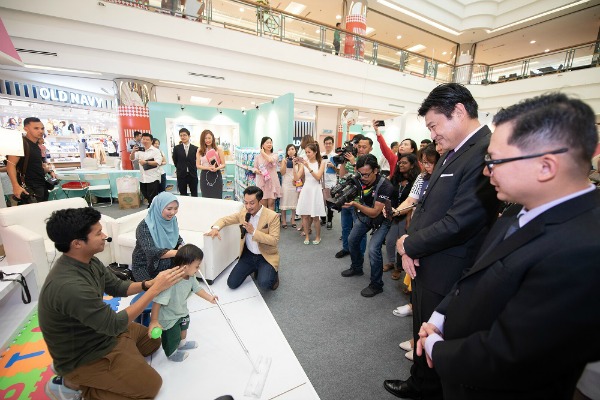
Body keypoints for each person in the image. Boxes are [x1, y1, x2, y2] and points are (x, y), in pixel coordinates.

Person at [414, 93, 600, 399]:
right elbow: (476, 272)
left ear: (545, 167)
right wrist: (439, 318)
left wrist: (436, 346)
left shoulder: (584, 249)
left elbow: (512, 355)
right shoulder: (517, 209)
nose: (486, 172)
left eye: (494, 161)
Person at [384, 83, 500, 399]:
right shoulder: (454, 152)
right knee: (423, 327)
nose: (433, 135)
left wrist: (409, 245)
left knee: (438, 335)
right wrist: (410, 242)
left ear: (459, 111)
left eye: (435, 125)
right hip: (427, 259)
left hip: (449, 266)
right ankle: (421, 382)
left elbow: (462, 221)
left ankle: (429, 388)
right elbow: (429, 205)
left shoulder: (483, 152)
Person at [39, 207, 185, 400]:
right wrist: (155, 290)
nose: (105, 236)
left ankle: (120, 361)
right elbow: (115, 324)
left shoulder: (88, 261)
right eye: (98, 233)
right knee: (150, 386)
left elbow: (116, 286)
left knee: (153, 340)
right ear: (77, 243)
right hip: (85, 353)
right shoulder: (70, 286)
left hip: (102, 332)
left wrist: (147, 284)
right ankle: (73, 384)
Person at [149, 244, 217, 362]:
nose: (198, 269)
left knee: (184, 329)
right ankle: (171, 353)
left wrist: (210, 298)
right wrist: (154, 321)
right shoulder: (171, 281)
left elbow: (198, 289)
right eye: (197, 266)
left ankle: (182, 344)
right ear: (185, 267)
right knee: (172, 336)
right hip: (169, 317)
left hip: (181, 311)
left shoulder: (191, 277)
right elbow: (157, 302)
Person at [205, 186, 281, 291]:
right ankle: (256, 270)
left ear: (260, 201)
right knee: (231, 283)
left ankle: (273, 273)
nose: (248, 206)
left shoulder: (272, 216)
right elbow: (225, 220)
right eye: (246, 202)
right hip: (248, 255)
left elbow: (274, 240)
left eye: (252, 203)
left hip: (265, 256)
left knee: (264, 284)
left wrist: (253, 232)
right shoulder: (243, 213)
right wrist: (215, 228)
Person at [341, 154, 394, 297]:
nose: (363, 177)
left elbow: (375, 212)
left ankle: (377, 285)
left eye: (366, 174)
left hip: (382, 219)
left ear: (376, 170)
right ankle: (357, 267)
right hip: (365, 215)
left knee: (373, 249)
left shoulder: (385, 186)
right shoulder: (359, 179)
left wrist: (355, 204)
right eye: (360, 174)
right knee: (352, 240)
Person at [131, 192, 184, 282]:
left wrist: (182, 247)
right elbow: (152, 252)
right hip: (145, 266)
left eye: (176, 208)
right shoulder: (145, 226)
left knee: (181, 285)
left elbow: (177, 239)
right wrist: (179, 253)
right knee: (155, 291)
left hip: (167, 263)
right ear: (159, 207)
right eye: (169, 209)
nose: (173, 212)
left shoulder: (172, 220)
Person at [384, 153, 420, 280]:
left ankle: (398, 268)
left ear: (412, 165)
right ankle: (391, 262)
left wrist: (409, 219)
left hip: (406, 215)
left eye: (404, 162)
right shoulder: (395, 178)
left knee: (401, 242)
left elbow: (412, 202)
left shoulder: (417, 180)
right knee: (389, 240)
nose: (401, 165)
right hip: (395, 214)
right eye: (400, 162)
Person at [6, 117, 57, 204]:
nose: (40, 131)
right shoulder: (21, 144)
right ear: (26, 128)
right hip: (29, 188)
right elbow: (10, 165)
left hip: (41, 185)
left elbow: (36, 164)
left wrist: (49, 171)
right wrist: (15, 186)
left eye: (42, 128)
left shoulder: (36, 145)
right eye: (36, 128)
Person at [335, 134, 368, 258]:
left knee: (360, 229)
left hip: (359, 200)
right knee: (345, 227)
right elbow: (343, 175)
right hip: (346, 197)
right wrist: (343, 162)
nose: (359, 148)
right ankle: (346, 248)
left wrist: (354, 162)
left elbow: (360, 177)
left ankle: (360, 253)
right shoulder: (350, 158)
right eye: (357, 146)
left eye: (362, 146)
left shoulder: (367, 161)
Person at [296, 143, 327, 244]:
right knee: (305, 215)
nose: (307, 154)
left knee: (315, 216)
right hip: (306, 189)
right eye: (306, 152)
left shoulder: (321, 162)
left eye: (309, 152)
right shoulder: (304, 163)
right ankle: (307, 237)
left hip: (315, 189)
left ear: (315, 152)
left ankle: (318, 237)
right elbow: (297, 178)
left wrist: (308, 167)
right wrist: (294, 165)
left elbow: (318, 177)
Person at [130, 132, 162, 206]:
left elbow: (158, 162)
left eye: (147, 139)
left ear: (151, 141)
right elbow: (132, 159)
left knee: (152, 197)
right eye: (143, 139)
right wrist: (133, 151)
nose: (145, 141)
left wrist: (146, 162)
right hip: (143, 177)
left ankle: (152, 210)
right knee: (145, 195)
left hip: (153, 178)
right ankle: (152, 208)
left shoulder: (155, 151)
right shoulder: (140, 150)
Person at [254, 136, 282, 210]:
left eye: (271, 143)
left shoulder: (275, 155)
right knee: (263, 205)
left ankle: (270, 221)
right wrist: (257, 171)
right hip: (262, 182)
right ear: (262, 145)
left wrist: (263, 153)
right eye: (267, 143)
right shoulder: (257, 157)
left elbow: (270, 160)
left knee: (271, 203)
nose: (269, 144)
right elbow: (254, 167)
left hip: (272, 181)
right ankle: (264, 221)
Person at [196, 129, 225, 198]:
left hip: (216, 175)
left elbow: (223, 164)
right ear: (202, 139)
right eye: (205, 138)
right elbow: (198, 165)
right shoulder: (200, 150)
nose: (207, 140)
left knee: (217, 196)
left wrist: (216, 168)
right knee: (206, 197)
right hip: (204, 176)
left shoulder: (219, 149)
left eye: (209, 138)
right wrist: (208, 168)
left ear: (213, 138)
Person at [172, 127, 199, 196]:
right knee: (183, 193)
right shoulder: (177, 148)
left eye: (184, 135)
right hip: (181, 174)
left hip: (192, 174)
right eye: (181, 135)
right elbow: (175, 160)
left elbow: (197, 160)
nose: (183, 137)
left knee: (194, 193)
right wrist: (180, 167)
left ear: (189, 136)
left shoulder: (195, 148)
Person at [279, 144, 300, 228]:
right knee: (284, 202)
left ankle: (293, 220)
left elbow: (300, 174)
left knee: (294, 203)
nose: (291, 151)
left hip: (295, 184)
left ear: (295, 150)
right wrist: (284, 163)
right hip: (286, 184)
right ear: (287, 152)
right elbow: (282, 172)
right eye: (289, 149)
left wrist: (295, 163)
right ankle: (284, 221)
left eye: (292, 149)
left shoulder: (298, 161)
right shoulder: (284, 160)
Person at [321, 136, 337, 229]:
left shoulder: (335, 156)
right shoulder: (321, 155)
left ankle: (330, 220)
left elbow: (339, 171)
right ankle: (323, 219)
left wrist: (333, 166)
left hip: (331, 182)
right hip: (321, 181)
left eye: (329, 143)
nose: (328, 145)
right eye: (326, 143)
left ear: (332, 144)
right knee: (321, 201)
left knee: (330, 202)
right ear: (324, 144)